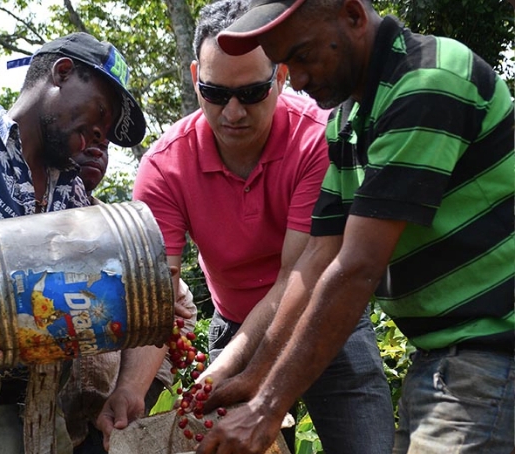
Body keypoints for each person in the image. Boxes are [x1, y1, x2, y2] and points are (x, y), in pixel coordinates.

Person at [193, 1, 515, 453]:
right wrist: (252, 376)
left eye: (303, 56)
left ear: (352, 15)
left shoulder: (427, 82)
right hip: (442, 356)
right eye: (288, 64)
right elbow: (316, 257)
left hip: (492, 349)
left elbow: (357, 266)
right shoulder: (349, 122)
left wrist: (268, 407)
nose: (298, 81)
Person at [131, 1, 395, 453]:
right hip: (234, 327)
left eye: (251, 93)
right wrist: (131, 391)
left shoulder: (318, 137)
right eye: (215, 93)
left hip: (326, 317)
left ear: (281, 78)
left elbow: (297, 277)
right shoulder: (164, 166)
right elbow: (158, 297)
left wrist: (228, 369)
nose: (233, 112)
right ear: (196, 77)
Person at [0, 31, 147, 454]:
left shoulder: (72, 192)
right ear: (61, 72)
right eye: (101, 112)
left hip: (38, 419)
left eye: (108, 129)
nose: (99, 134)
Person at [61, 141, 197, 454]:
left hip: (106, 422)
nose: (96, 151)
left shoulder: (120, 234)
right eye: (82, 139)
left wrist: (136, 387)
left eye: (103, 146)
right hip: (50, 420)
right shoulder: (26, 224)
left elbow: (179, 305)